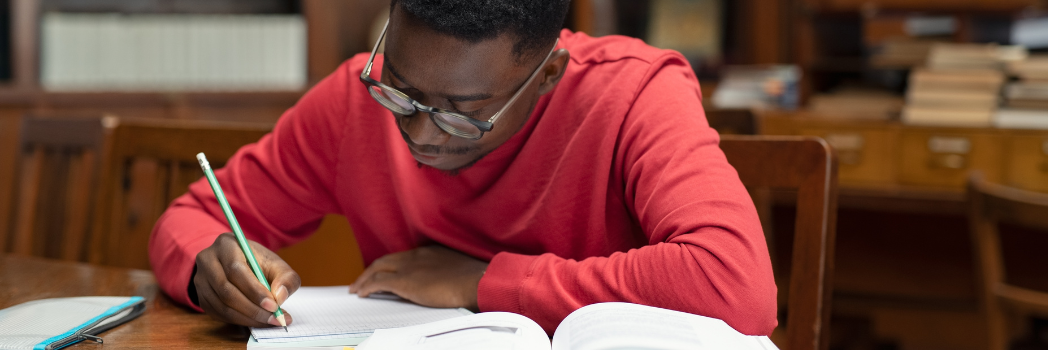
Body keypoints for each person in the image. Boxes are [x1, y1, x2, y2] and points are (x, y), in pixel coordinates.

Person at [149, 0, 777, 336]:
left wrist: (483, 284)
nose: (420, 132)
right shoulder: (351, 102)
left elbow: (733, 283)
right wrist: (210, 265)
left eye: (464, 113)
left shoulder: (633, 93)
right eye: (398, 87)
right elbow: (193, 218)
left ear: (547, 75)